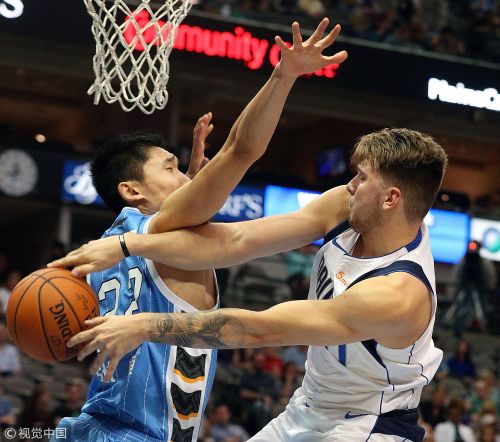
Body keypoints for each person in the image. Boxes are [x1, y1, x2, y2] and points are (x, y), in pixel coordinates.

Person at [48, 18, 348, 442]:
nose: (186, 178)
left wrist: (187, 185)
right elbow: (241, 150)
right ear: (132, 189)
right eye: (170, 167)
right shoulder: (157, 229)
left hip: (86, 427)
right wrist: (284, 75)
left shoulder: (99, 252)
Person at [51, 127, 448, 440]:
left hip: (367, 424)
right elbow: (235, 240)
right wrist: (127, 245)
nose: (350, 185)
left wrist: (143, 326)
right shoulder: (343, 207)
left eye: (361, 179)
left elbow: (261, 329)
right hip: (308, 406)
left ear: (391, 199)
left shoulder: (398, 295)